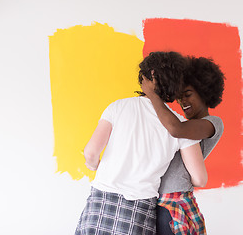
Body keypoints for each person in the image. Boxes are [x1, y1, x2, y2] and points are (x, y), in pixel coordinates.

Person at [75, 52, 207, 235]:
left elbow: (90, 153)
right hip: (139, 208)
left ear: (144, 78)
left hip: (100, 199)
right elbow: (200, 179)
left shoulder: (117, 107)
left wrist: (96, 166)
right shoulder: (181, 126)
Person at [141, 56, 225, 235]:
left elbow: (176, 129)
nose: (182, 102)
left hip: (175, 203)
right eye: (179, 98)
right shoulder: (181, 123)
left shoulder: (213, 123)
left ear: (204, 92)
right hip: (160, 201)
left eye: (187, 95)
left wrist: (152, 95)